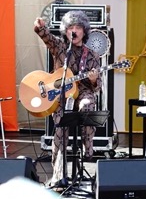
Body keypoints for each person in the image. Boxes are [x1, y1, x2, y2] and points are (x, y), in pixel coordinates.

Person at [34, 11, 100, 186]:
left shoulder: (92, 55)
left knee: (87, 105)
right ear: (66, 30)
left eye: (78, 27)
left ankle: (87, 149)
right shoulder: (60, 47)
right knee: (60, 127)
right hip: (62, 93)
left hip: (83, 91)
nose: (74, 31)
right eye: (71, 27)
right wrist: (40, 27)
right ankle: (58, 174)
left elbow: (97, 86)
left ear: (84, 31)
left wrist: (93, 80)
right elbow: (47, 38)